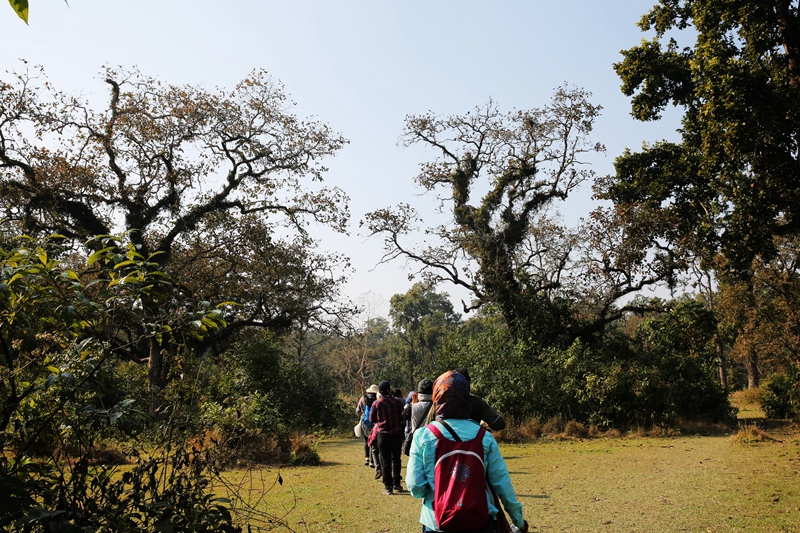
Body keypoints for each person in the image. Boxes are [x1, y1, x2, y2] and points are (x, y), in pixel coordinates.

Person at [406, 370, 528, 533]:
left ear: (437, 397)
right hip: (478, 520)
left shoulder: (423, 436)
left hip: (435, 521)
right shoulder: (484, 437)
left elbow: (416, 487)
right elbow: (502, 484)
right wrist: (517, 519)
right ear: (466, 398)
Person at [369, 380, 405, 495]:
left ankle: (388, 486)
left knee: (385, 460)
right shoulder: (397, 402)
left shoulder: (376, 404)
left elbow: (372, 419)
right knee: (396, 458)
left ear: (379, 392)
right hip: (396, 433)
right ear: (389, 390)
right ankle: (397, 483)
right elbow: (402, 416)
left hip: (383, 435)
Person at [356, 384, 379, 467]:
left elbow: (357, 410)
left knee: (366, 440)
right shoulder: (377, 400)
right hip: (374, 422)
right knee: (374, 441)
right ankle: (373, 461)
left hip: (365, 422)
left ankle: (366, 458)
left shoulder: (362, 399)